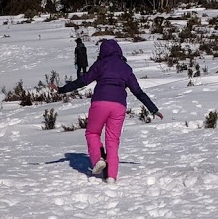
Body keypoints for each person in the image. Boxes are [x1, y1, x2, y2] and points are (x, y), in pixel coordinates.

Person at [54, 39, 162, 183]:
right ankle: (111, 176)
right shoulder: (126, 68)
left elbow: (83, 81)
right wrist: (153, 109)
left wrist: (62, 89)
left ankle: (98, 159)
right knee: (112, 140)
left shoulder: (101, 64)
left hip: (100, 103)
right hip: (119, 106)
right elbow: (138, 92)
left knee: (92, 133)